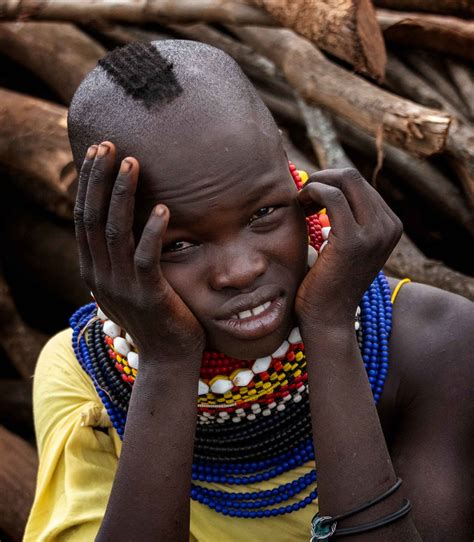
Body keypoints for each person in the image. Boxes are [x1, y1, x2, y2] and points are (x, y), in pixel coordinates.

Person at [24, 40, 473, 542]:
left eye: (263, 214)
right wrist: (168, 362)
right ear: (107, 243)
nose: (239, 271)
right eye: (179, 243)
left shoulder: (436, 342)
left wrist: (327, 329)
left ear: (286, 167)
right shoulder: (86, 377)